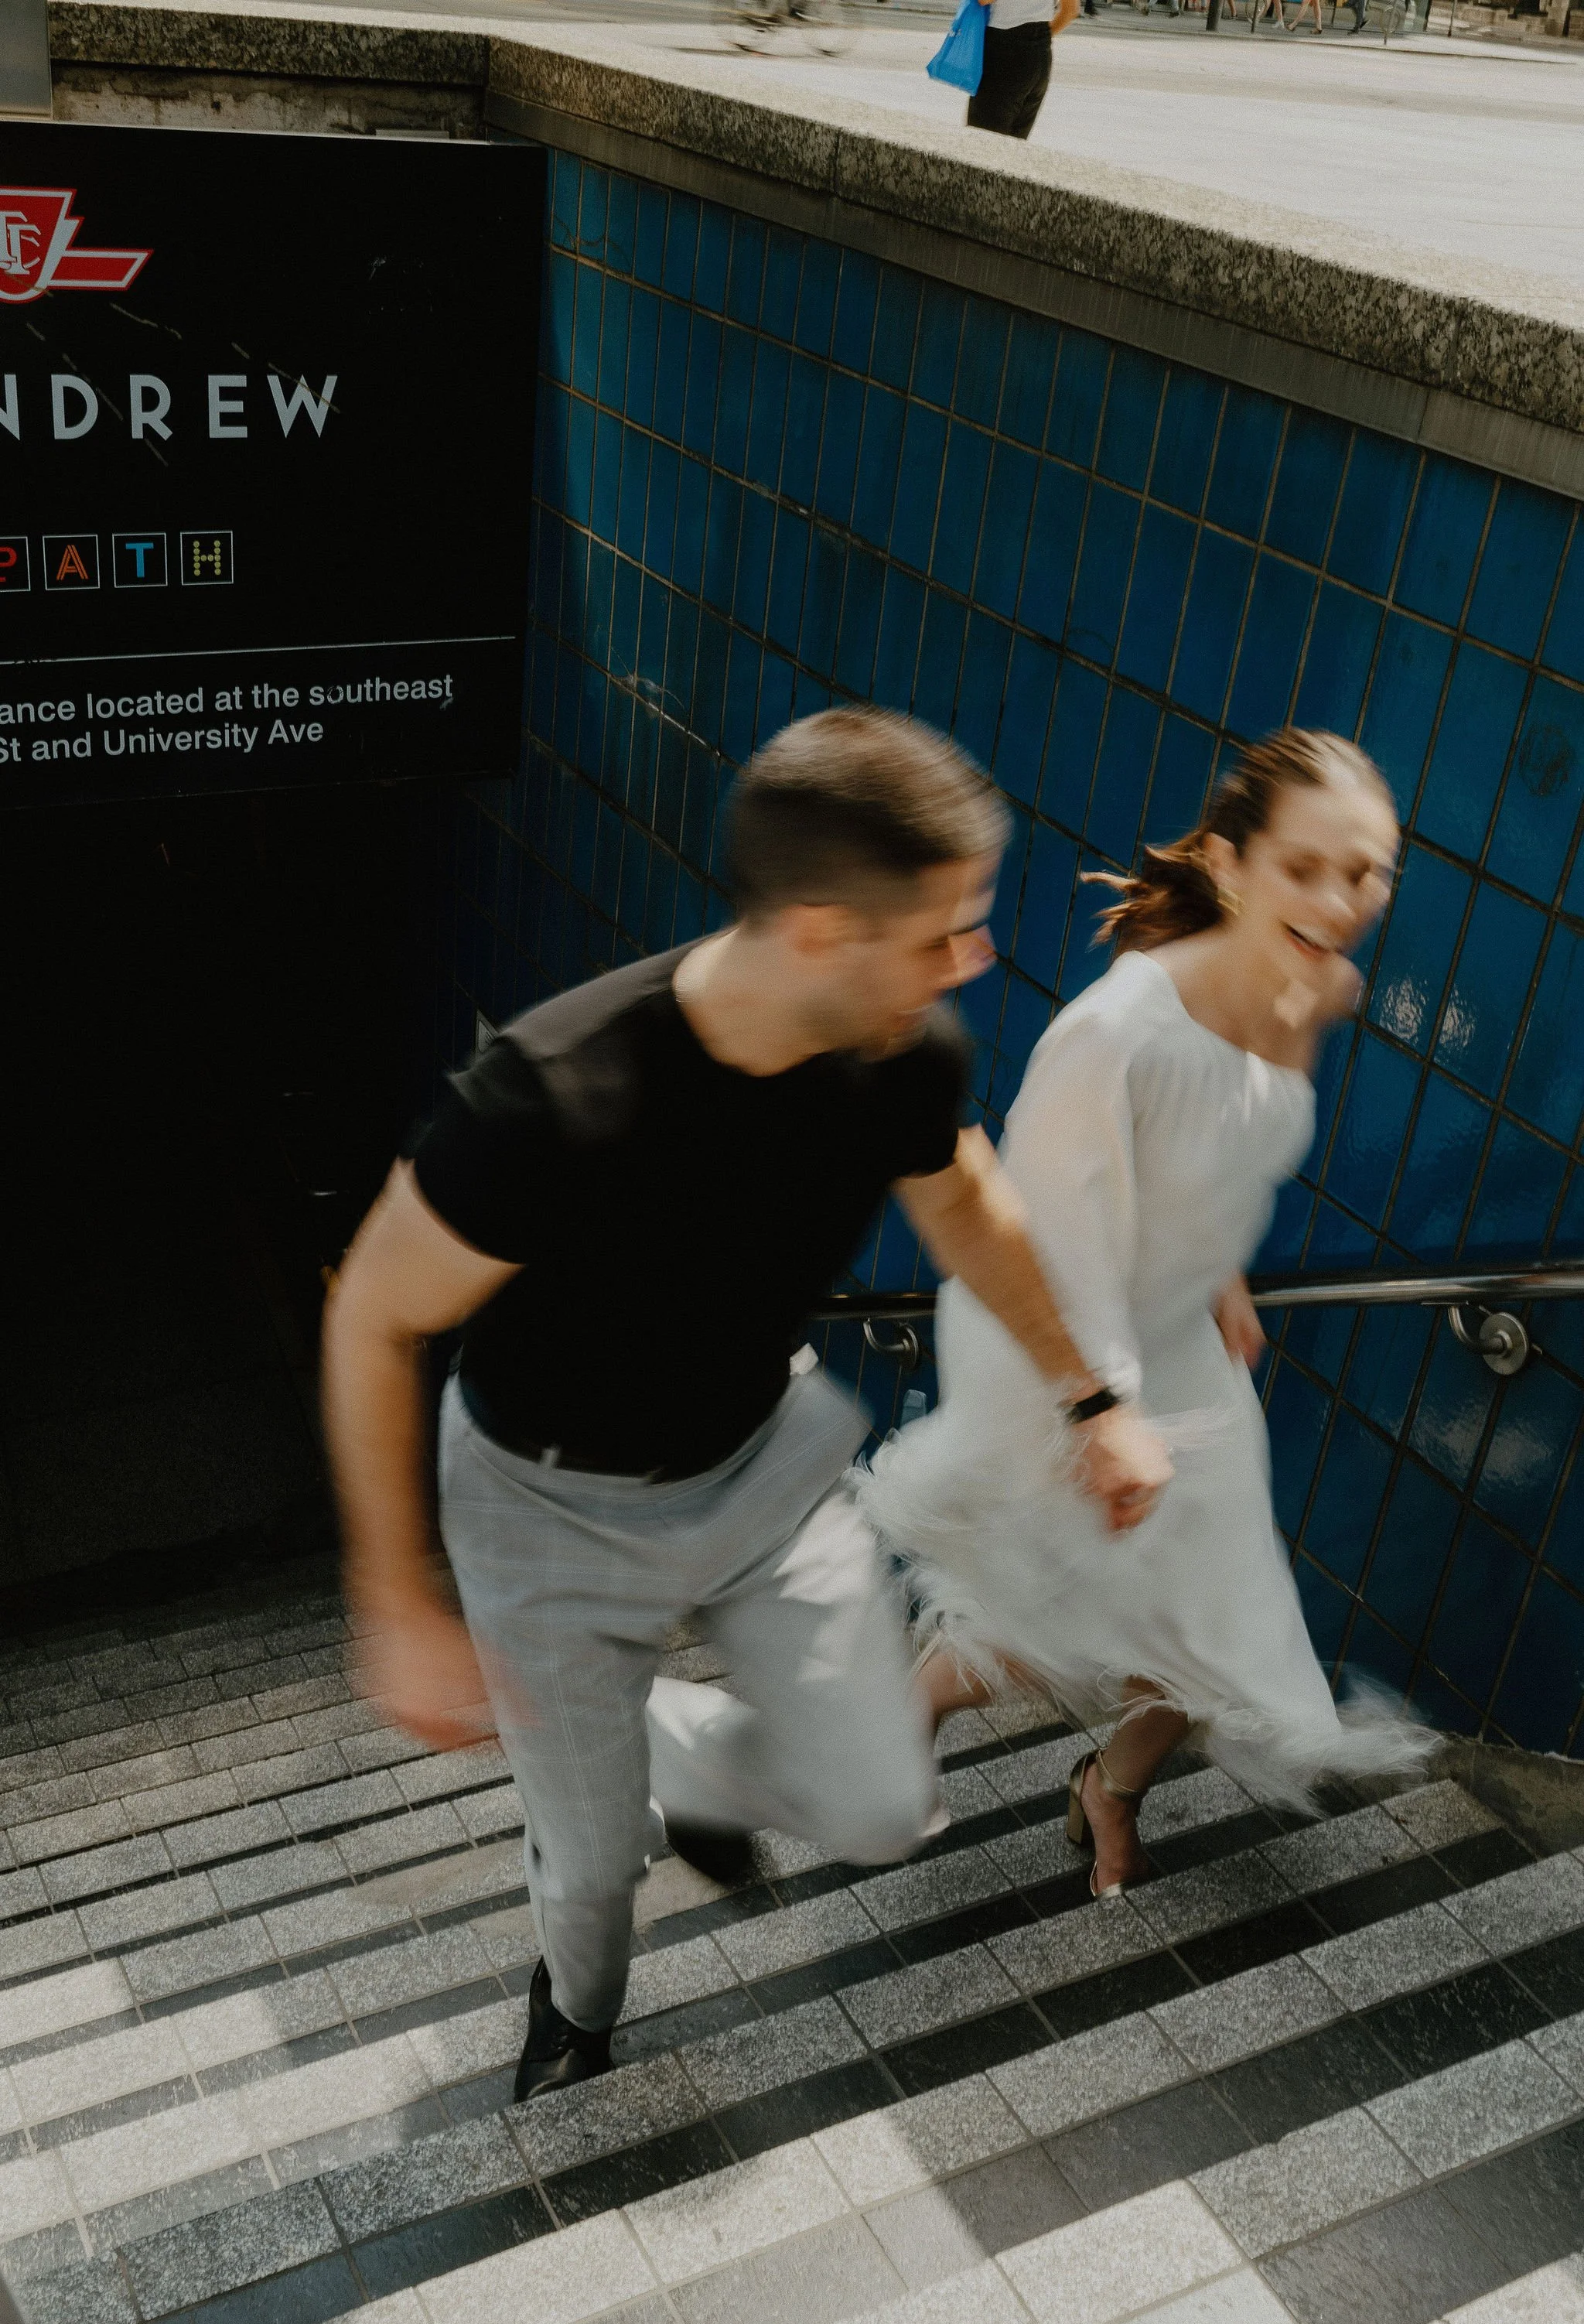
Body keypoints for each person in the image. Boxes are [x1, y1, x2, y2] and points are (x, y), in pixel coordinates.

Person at [322, 706, 1171, 2099]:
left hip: (760, 1463)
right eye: (944, 930)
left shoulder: (905, 1056)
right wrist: (396, 1598)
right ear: (823, 931)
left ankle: (671, 1745)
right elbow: (373, 1312)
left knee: (883, 1806)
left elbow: (965, 1202)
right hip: (543, 1501)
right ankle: (578, 2017)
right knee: (591, 1867)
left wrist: (1093, 1396)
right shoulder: (552, 1095)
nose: (974, 959)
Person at [859, 729, 1434, 1899]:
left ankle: (1106, 1787)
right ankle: (895, 1722)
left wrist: (1214, 1266)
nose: (1342, 900)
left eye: (1367, 870)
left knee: (1210, 1616)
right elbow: (1054, 1235)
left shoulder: (1313, 985)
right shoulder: (1117, 1032)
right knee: (1053, 1609)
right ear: (1231, 863)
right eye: (1307, 868)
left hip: (1173, 1330)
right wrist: (1103, 1409)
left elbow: (1219, 1151)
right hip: (1063, 1346)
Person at [968, 0, 1079, 142]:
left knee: (982, 147)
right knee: (1013, 150)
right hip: (1040, 54)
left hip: (1005, 52)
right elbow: (1071, 11)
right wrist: (1038, 39)